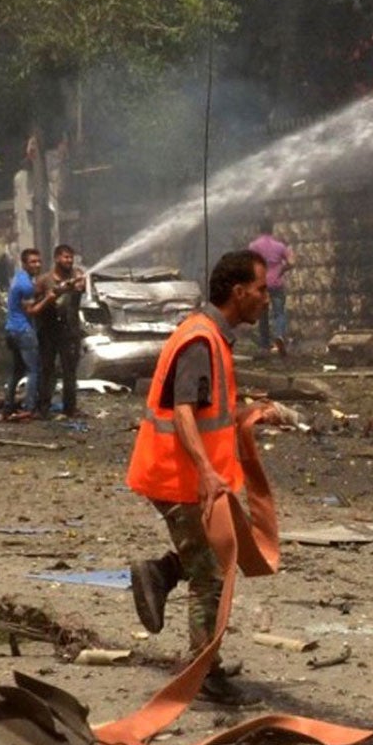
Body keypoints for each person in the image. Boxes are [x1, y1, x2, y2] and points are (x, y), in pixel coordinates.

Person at [125, 250, 274, 706]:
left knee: (210, 556)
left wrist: (255, 414)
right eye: (262, 289)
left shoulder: (210, 336)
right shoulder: (201, 340)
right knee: (210, 574)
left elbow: (210, 409)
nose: (267, 299)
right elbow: (184, 410)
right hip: (179, 477)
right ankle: (203, 672)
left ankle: (161, 572)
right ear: (239, 292)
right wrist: (208, 473)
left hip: (186, 475)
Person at [37, 244, 89, 418]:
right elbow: (37, 304)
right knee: (47, 369)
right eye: (66, 257)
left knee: (70, 371)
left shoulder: (77, 275)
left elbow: (81, 287)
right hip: (49, 331)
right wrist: (52, 295)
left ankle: (70, 408)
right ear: (57, 258)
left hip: (70, 331)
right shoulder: (44, 280)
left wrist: (75, 283)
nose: (69, 260)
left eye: (71, 257)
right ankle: (43, 408)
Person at [3, 249, 53, 417]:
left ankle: (8, 404)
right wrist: (49, 298)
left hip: (11, 329)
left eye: (39, 261)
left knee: (16, 370)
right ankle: (29, 407)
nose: (37, 265)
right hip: (23, 330)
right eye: (33, 262)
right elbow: (31, 311)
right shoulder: (26, 285)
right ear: (24, 264)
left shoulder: (19, 277)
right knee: (34, 370)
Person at [246, 220, 293, 357]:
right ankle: (280, 336)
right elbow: (291, 262)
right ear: (272, 230)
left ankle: (265, 345)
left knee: (263, 315)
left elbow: (248, 263)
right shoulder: (280, 246)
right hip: (277, 284)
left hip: (261, 285)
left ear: (259, 229)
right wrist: (281, 270)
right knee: (279, 313)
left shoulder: (253, 246)